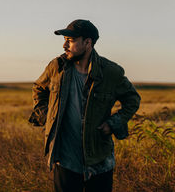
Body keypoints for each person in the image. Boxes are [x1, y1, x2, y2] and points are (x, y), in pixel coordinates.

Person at [29, 19, 141, 192]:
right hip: (65, 160)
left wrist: (113, 123)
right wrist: (47, 116)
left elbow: (132, 99)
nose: (65, 45)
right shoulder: (56, 67)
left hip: (99, 160)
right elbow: (39, 88)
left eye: (71, 40)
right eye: (64, 40)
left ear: (88, 42)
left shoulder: (110, 72)